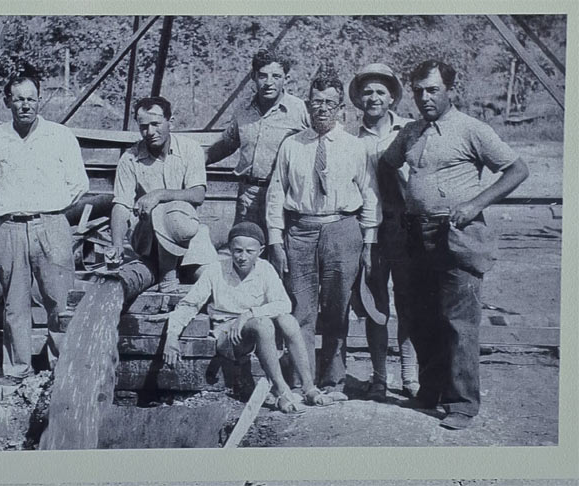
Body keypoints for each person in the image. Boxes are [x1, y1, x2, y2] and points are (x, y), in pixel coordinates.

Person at [381, 60, 529, 430]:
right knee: (420, 316)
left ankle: (462, 403)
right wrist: (402, 204)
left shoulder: (471, 129)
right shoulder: (412, 132)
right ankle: (431, 388)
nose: (425, 97)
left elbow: (517, 170)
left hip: (457, 235)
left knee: (458, 321)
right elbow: (386, 164)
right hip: (416, 234)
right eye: (418, 91)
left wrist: (476, 203)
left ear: (450, 90)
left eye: (433, 90)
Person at [266, 73, 381, 399]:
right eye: (316, 102)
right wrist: (275, 239)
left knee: (337, 308)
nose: (322, 109)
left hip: (342, 229)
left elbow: (370, 195)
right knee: (300, 310)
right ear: (307, 104)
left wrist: (369, 242)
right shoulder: (292, 145)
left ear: (341, 108)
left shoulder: (354, 146)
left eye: (330, 103)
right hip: (300, 230)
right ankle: (306, 382)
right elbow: (276, 193)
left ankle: (333, 382)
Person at [0, 74, 89, 385]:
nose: (24, 104)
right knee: (14, 304)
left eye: (30, 98)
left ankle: (63, 369)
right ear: (7, 102)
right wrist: (11, 204)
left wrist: (51, 208)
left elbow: (79, 183)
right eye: (18, 98)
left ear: (39, 100)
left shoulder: (59, 135)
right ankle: (17, 370)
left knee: (60, 300)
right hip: (10, 228)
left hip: (52, 225)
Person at [163, 222, 332, 411]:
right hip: (228, 335)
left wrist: (248, 314)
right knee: (262, 324)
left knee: (288, 320)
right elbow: (189, 304)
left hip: (258, 328)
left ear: (260, 251)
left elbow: (284, 304)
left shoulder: (265, 269)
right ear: (230, 249)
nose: (242, 257)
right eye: (237, 251)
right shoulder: (216, 270)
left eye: (249, 251)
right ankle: (281, 391)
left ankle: (308, 386)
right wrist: (172, 336)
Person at [348, 63, 419, 401]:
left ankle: (410, 374)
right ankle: (379, 376)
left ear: (392, 97)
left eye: (380, 92)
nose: (373, 98)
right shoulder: (350, 139)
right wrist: (366, 237)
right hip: (371, 231)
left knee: (409, 300)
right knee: (376, 303)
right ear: (359, 99)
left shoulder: (411, 130)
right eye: (367, 92)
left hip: (407, 228)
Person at [110, 96, 217, 292]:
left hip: (186, 234)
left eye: (156, 124)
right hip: (148, 238)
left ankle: (176, 273)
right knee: (162, 211)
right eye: (143, 126)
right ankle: (166, 274)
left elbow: (198, 194)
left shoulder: (190, 149)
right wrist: (116, 245)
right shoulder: (130, 158)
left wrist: (158, 194)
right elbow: (121, 204)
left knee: (212, 282)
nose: (150, 132)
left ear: (171, 122)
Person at [206, 48, 310, 234]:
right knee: (245, 249)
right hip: (248, 194)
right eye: (263, 76)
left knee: (280, 252)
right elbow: (227, 144)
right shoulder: (243, 109)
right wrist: (196, 160)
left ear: (286, 78)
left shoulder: (298, 109)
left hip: (284, 194)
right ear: (254, 76)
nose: (269, 83)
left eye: (276, 76)